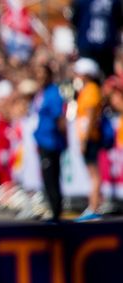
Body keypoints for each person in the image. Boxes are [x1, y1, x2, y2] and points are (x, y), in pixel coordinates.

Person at [32, 63, 67, 223]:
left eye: (42, 74)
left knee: (51, 178)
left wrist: (63, 139)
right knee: (48, 178)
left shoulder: (53, 93)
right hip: (44, 141)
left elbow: (59, 118)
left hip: (51, 142)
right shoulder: (43, 93)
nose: (39, 78)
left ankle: (56, 213)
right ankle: (53, 210)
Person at [73, 58, 104, 221]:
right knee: (92, 173)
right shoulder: (86, 90)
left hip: (90, 137)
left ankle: (94, 207)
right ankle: (94, 205)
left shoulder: (92, 89)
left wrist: (84, 140)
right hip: (86, 136)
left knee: (94, 174)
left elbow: (91, 116)